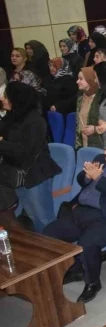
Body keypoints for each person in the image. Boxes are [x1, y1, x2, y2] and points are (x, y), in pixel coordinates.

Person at [44, 134, 106, 303]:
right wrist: (87, 177)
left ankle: (93, 283)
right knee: (49, 232)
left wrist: (99, 178)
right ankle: (75, 268)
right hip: (81, 210)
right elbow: (81, 179)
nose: (105, 152)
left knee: (87, 244)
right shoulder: (101, 159)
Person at [0, 82, 61, 232]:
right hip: (18, 175)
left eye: (6, 96)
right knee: (32, 216)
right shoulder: (12, 117)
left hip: (36, 175)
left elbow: (24, 151)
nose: (2, 99)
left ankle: (54, 245)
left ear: (17, 98)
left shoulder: (35, 121)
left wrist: (2, 143)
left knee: (44, 218)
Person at [75, 67, 104, 149]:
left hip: (99, 144)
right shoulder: (80, 97)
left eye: (81, 79)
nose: (77, 81)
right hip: (83, 143)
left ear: (89, 79)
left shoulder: (102, 98)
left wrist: (95, 129)